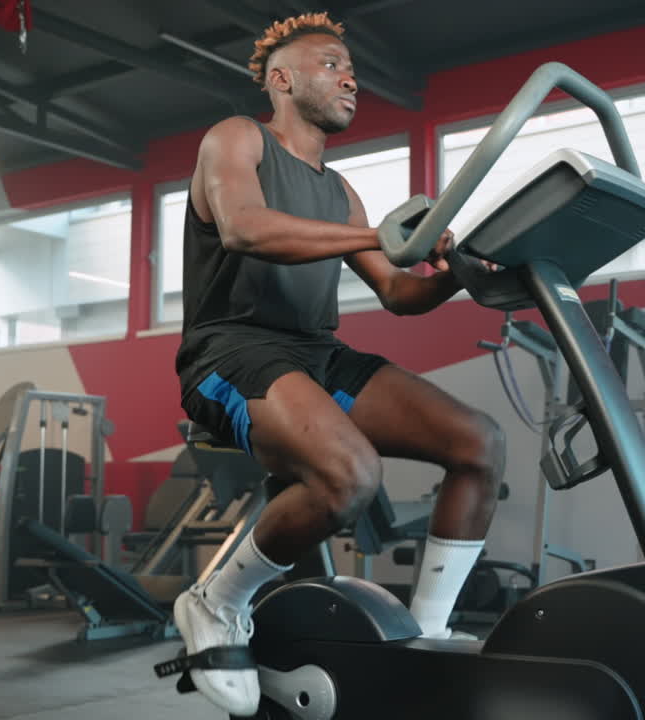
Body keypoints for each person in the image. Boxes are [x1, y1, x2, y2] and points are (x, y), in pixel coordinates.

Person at [171, 12, 505, 717]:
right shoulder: (237, 138)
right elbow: (245, 228)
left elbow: (398, 292)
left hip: (316, 353)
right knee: (350, 475)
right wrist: (381, 235)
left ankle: (433, 633)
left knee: (479, 442)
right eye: (331, 63)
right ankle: (215, 601)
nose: (350, 75)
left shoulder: (340, 189)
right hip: (230, 348)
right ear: (282, 80)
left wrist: (459, 267)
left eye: (350, 66)